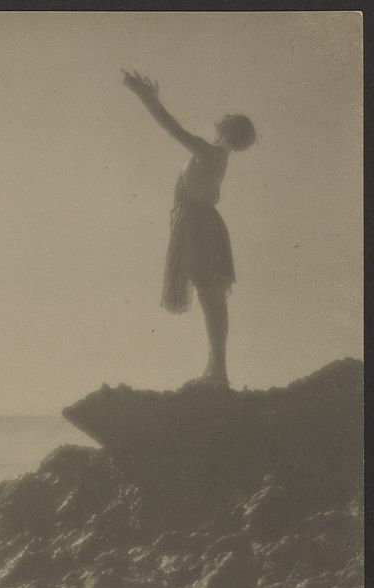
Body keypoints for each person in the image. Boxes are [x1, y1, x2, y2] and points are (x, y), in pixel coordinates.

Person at [121, 69, 255, 387]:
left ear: (224, 128)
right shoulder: (217, 156)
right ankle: (214, 370)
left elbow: (172, 128)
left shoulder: (210, 152)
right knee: (210, 296)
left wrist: (146, 96)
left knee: (210, 297)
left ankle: (217, 373)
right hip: (196, 224)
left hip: (198, 226)